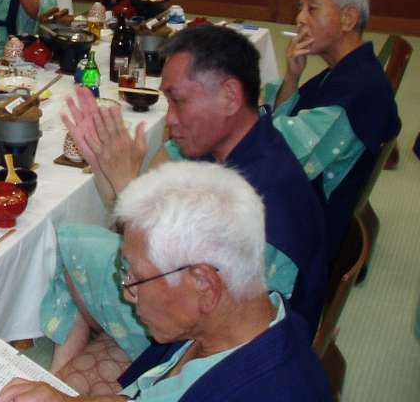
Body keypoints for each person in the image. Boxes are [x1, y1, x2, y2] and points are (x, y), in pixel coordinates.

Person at [40, 26, 326, 392]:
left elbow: (213, 310)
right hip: (197, 315)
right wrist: (107, 168)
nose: (170, 119)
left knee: (70, 241)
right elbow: (147, 240)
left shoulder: (271, 195)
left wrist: (127, 184)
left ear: (229, 96)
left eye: (179, 102)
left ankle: (72, 366)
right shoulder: (228, 148)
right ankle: (62, 375)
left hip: (211, 341)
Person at [0, 163, 331, 402]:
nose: (128, 292)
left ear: (204, 284)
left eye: (137, 278)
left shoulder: (260, 388)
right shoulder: (239, 322)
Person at [266, 0, 400, 263]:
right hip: (304, 199)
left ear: (348, 19)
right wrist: (292, 77)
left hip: (303, 233)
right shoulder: (352, 68)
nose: (299, 19)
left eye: (312, 9)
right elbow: (282, 133)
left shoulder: (357, 92)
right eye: (300, 8)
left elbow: (277, 159)